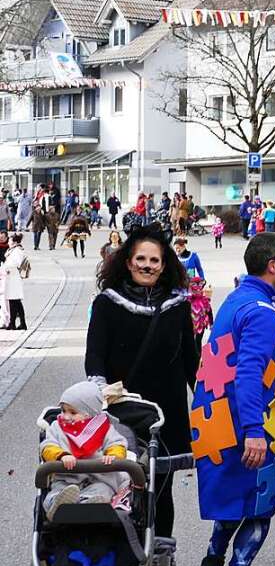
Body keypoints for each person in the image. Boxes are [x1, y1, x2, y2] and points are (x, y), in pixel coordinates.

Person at [190, 232, 275, 566]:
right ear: (273, 266)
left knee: (237, 497)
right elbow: (249, 373)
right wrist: (254, 431)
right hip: (247, 418)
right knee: (260, 505)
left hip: (216, 416)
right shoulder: (264, 313)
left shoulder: (237, 299)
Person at [86, 225, 197, 541]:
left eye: (155, 260)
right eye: (141, 259)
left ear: (164, 266)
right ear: (128, 262)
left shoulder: (178, 306)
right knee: (121, 482)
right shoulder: (108, 303)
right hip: (123, 409)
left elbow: (191, 360)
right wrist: (99, 392)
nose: (148, 265)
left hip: (168, 413)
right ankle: (124, 551)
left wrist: (204, 401)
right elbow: (94, 354)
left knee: (162, 488)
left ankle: (160, 550)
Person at [39, 381, 131, 520]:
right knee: (54, 493)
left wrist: (112, 456)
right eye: (63, 410)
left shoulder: (103, 429)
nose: (66, 416)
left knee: (103, 490)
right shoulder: (56, 427)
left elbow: (117, 443)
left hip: (97, 478)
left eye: (73, 412)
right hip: (66, 480)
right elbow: (47, 446)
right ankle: (57, 505)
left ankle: (88, 502)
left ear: (90, 413)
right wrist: (61, 455)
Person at [3, 235, 27, 330]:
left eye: (10, 241)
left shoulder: (17, 251)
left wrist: (7, 267)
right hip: (10, 278)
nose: (8, 242)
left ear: (15, 242)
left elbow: (17, 263)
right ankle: (14, 323)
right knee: (13, 301)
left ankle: (19, 323)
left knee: (15, 301)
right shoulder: (12, 250)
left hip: (14, 278)